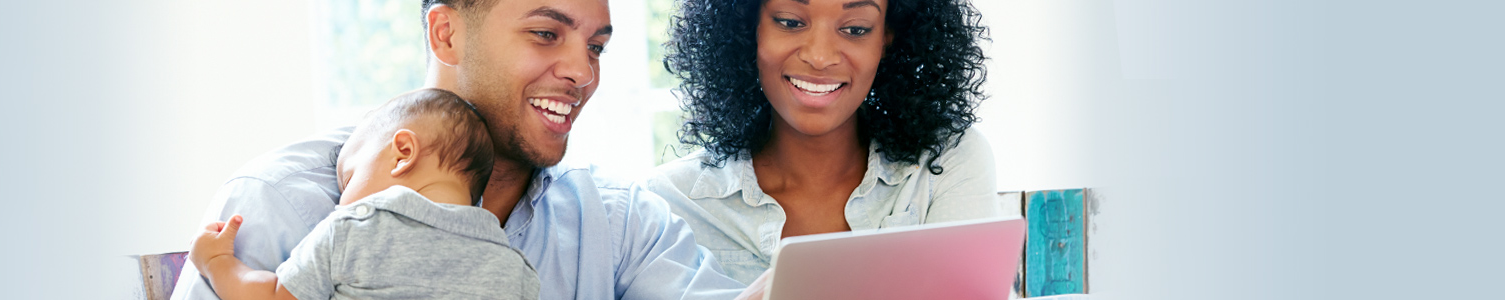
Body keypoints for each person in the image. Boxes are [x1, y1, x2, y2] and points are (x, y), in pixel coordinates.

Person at [170, 0, 755, 299]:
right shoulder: (278, 205)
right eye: (546, 33)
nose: (582, 72)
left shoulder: (624, 225)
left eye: (596, 47)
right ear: (446, 33)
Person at [649, 0, 1006, 285]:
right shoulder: (671, 204)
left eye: (855, 29)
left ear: (888, 37)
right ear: (748, 26)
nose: (819, 57)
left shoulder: (945, 164)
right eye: (790, 21)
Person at [189, 89, 537, 300]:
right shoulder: (516, 269)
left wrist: (217, 263)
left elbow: (272, 296)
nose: (341, 198)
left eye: (350, 176)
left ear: (402, 153)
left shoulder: (353, 229)